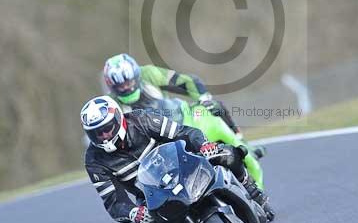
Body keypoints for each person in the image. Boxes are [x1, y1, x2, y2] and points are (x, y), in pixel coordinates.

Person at [80, 95, 261, 223]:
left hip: (184, 166)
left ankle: (249, 187)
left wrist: (203, 145)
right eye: (97, 133)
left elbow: (184, 132)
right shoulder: (94, 161)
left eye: (107, 129)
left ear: (119, 119)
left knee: (227, 153)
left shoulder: (142, 120)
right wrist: (134, 212)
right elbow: (113, 202)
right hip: (150, 196)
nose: (104, 136)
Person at [101, 53, 267, 194]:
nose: (126, 88)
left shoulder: (149, 74)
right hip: (158, 143)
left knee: (216, 108)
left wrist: (204, 99)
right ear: (112, 86)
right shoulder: (112, 105)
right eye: (120, 86)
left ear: (136, 76)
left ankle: (245, 145)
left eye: (128, 82)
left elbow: (186, 81)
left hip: (179, 121)